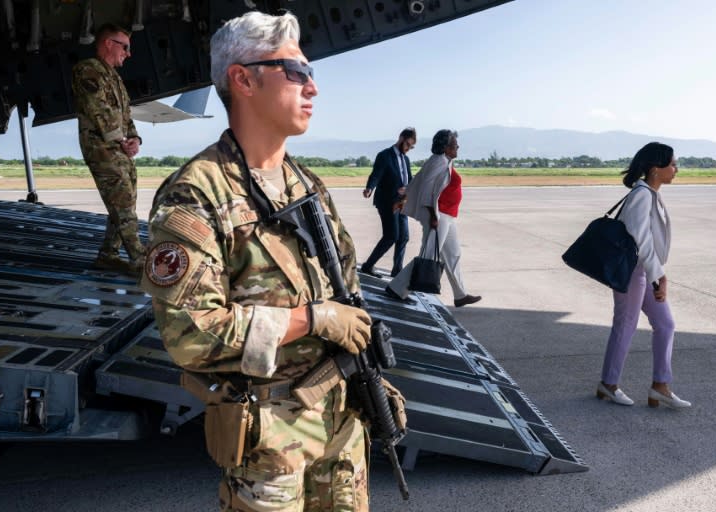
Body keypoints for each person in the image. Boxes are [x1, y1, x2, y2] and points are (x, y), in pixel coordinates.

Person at [140, 12, 379, 511]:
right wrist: (312, 319)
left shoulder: (307, 186)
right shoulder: (195, 195)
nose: (311, 86)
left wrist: (370, 375)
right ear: (243, 79)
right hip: (271, 443)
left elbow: (346, 288)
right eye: (295, 71)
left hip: (341, 427)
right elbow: (191, 335)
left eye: (312, 72)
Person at [596, 142, 691, 409]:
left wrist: (657, 273)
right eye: (672, 164)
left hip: (646, 272)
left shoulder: (651, 194)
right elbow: (642, 240)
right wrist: (660, 275)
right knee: (625, 326)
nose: (676, 169)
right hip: (633, 273)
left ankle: (660, 386)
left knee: (666, 324)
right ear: (655, 169)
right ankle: (609, 384)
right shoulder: (642, 195)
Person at [72, 23, 145, 275]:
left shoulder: (114, 78)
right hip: (102, 147)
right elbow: (97, 108)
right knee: (122, 201)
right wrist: (120, 138)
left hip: (118, 147)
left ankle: (108, 255)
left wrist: (135, 138)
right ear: (108, 44)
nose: (128, 53)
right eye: (124, 47)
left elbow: (126, 116)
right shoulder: (88, 71)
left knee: (126, 198)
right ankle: (140, 259)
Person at [385, 129, 481, 308]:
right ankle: (396, 289)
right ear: (445, 147)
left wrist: (404, 196)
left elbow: (417, 180)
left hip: (448, 215)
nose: (457, 146)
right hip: (438, 215)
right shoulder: (438, 161)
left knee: (453, 254)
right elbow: (427, 189)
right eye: (454, 144)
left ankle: (460, 295)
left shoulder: (445, 161)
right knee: (428, 256)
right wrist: (432, 215)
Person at [360, 128, 416, 277]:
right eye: (408, 145)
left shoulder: (406, 159)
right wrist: (369, 188)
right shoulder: (385, 155)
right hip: (386, 202)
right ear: (401, 138)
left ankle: (397, 271)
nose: (409, 149)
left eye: (411, 147)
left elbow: (409, 179)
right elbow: (376, 174)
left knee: (403, 237)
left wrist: (410, 188)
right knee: (391, 236)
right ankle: (368, 266)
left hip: (401, 203)